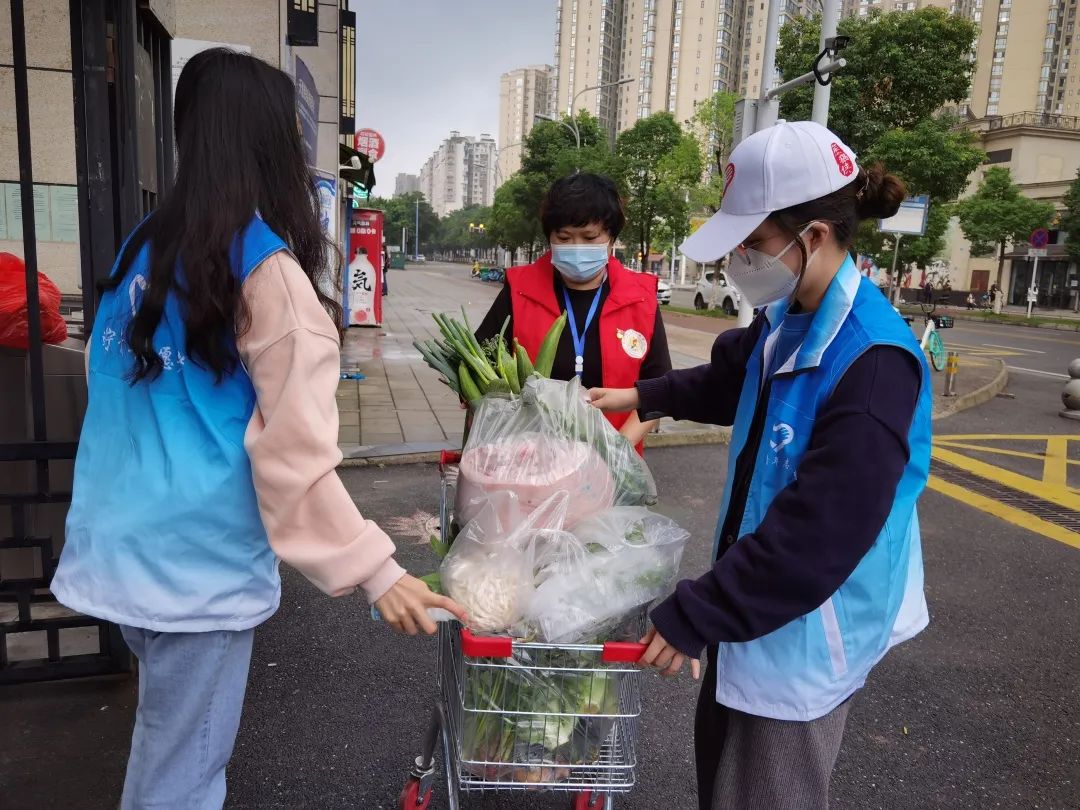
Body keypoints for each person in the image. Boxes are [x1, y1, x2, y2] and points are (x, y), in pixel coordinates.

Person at [50, 49, 464, 809]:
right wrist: (380, 573)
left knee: (164, 748)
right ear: (275, 144)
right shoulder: (264, 272)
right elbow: (292, 457)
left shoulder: (144, 247)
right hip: (196, 568)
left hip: (123, 546)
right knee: (182, 775)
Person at [589, 121, 931, 810]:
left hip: (806, 626)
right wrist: (641, 395)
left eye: (752, 240)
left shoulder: (873, 364)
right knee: (724, 777)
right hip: (754, 596)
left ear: (814, 235)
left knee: (765, 789)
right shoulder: (791, 312)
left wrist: (697, 612)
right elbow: (735, 379)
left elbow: (819, 535)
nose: (738, 257)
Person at [475, 173, 672, 450]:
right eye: (564, 238)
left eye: (590, 237)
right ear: (550, 237)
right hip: (530, 460)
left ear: (611, 238)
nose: (577, 247)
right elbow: (479, 368)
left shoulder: (640, 298)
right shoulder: (519, 291)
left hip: (613, 461)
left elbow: (659, 389)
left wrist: (618, 451)